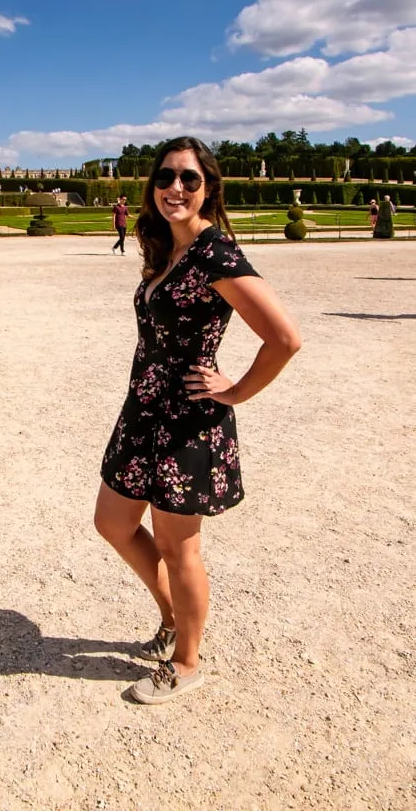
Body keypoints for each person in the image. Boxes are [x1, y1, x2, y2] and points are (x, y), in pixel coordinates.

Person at [94, 137, 301, 705]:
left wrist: (233, 391)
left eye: (188, 178)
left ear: (208, 185)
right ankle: (170, 615)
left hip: (188, 420)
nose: (175, 188)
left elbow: (284, 339)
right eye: (165, 177)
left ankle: (188, 661)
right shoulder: (168, 247)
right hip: (142, 410)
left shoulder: (217, 254)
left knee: (178, 547)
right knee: (112, 522)